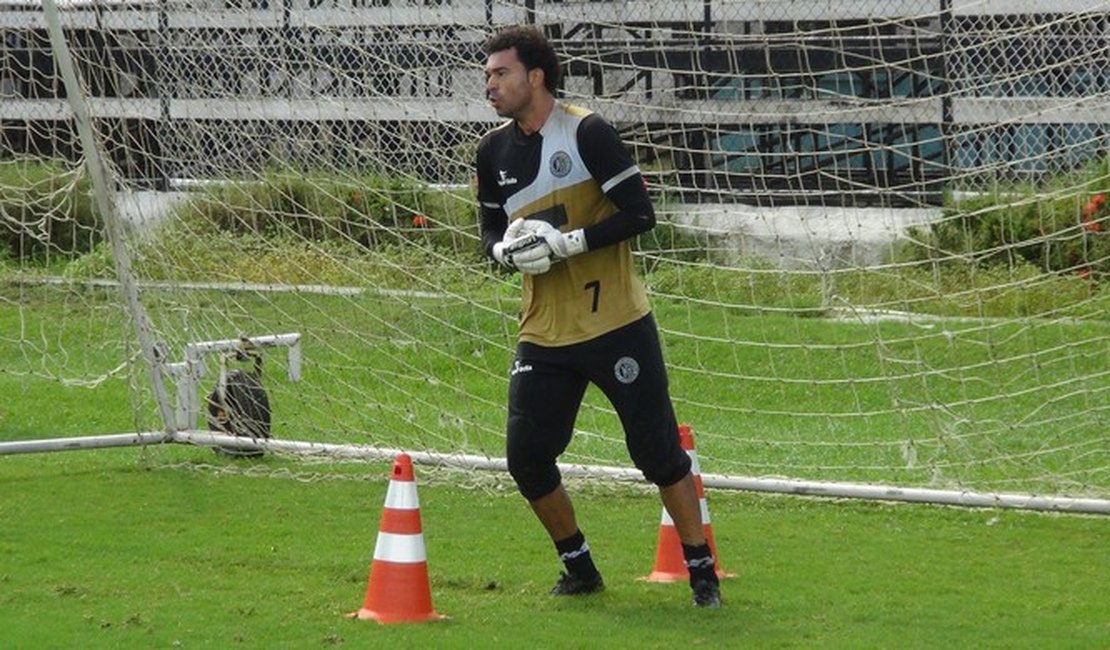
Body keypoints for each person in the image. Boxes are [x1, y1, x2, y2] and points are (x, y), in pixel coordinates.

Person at [474, 25, 722, 608]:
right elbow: (487, 225)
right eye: (487, 74)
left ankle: (701, 570)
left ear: (535, 77)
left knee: (658, 454)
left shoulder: (588, 132)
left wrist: (570, 242)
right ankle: (579, 566)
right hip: (544, 333)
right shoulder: (491, 150)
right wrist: (499, 251)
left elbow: (641, 214)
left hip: (616, 324)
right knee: (526, 457)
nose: (489, 84)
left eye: (500, 73)